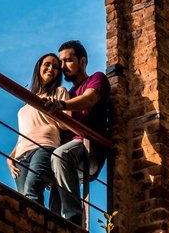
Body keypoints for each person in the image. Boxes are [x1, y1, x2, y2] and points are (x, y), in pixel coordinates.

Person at [45, 40, 110, 224]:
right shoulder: (66, 92)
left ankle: (74, 220)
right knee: (48, 159)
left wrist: (62, 105)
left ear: (82, 61)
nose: (63, 66)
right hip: (70, 152)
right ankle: (53, 221)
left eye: (68, 60)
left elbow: (89, 99)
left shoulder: (96, 79)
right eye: (61, 62)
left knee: (60, 156)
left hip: (90, 148)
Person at [6, 53, 69, 204]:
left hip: (44, 147)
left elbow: (66, 123)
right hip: (21, 154)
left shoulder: (59, 92)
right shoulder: (28, 101)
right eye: (47, 64)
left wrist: (54, 107)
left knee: (32, 191)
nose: (50, 68)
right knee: (23, 198)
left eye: (55, 67)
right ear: (39, 68)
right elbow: (24, 134)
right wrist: (11, 156)